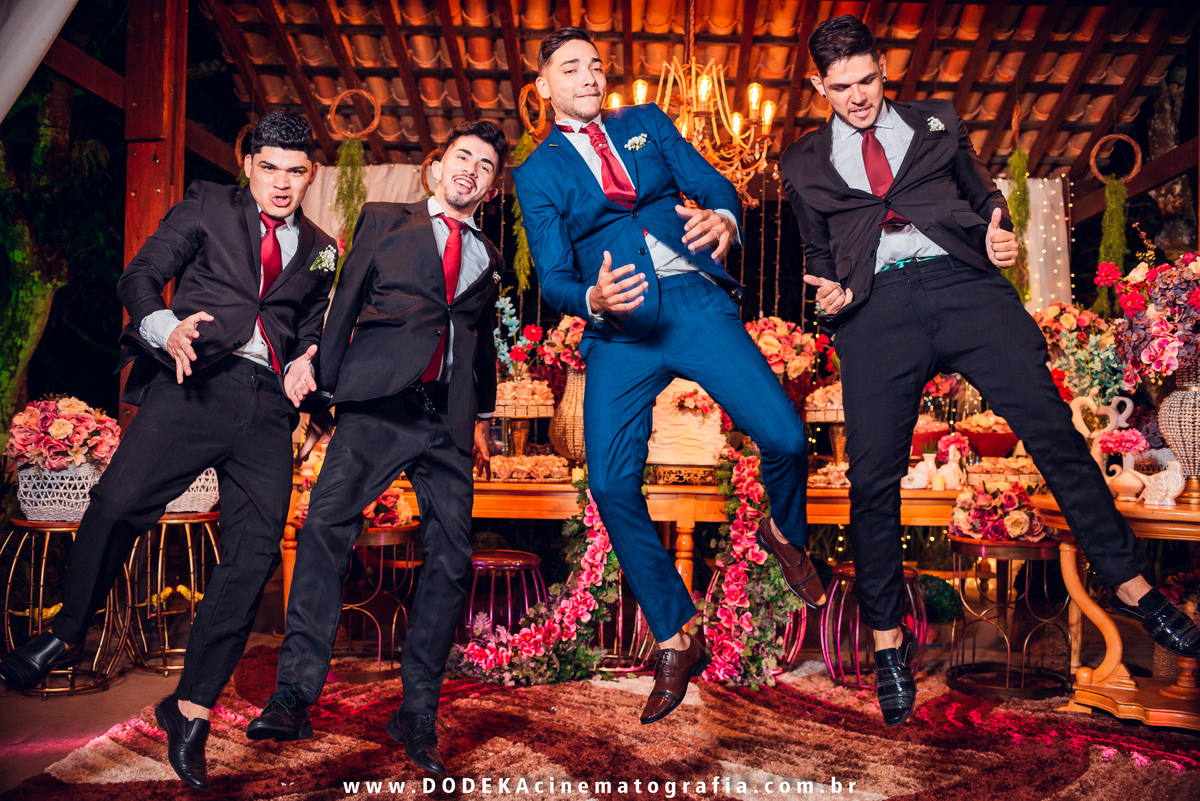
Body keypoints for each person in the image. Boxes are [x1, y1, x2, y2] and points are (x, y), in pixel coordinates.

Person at [781, 15, 1200, 728]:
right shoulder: (801, 163)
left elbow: (984, 198)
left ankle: (1132, 586)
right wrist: (829, 294)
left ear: (884, 68)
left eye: (868, 80)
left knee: (1054, 433)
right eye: (841, 87)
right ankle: (888, 644)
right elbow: (819, 253)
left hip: (965, 288)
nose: (858, 97)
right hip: (877, 312)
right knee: (872, 479)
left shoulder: (937, 121)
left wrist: (999, 228)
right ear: (819, 86)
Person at [0, 113, 336, 789]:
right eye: (270, 167)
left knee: (253, 557)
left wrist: (308, 356)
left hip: (269, 408)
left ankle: (190, 709)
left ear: (311, 176)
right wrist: (164, 327)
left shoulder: (323, 249)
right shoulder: (208, 204)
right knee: (118, 501)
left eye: (296, 171)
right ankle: (66, 631)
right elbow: (141, 275)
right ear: (249, 165)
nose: (281, 182)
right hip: (196, 378)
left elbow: (311, 324)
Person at [512, 28, 824, 726]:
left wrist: (725, 216)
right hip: (619, 326)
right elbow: (554, 274)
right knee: (609, 483)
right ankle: (675, 635)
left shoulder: (646, 122)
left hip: (694, 304)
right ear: (544, 86)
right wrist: (591, 299)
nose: (589, 76)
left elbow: (712, 182)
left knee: (785, 437)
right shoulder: (536, 173)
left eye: (596, 65)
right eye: (571, 67)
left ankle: (783, 530)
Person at [244, 121, 506, 778]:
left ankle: (417, 710)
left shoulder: (489, 256)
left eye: (485, 166)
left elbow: (477, 343)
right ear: (437, 167)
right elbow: (345, 302)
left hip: (446, 422)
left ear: (492, 187)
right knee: (324, 528)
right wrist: (325, 395)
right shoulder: (385, 219)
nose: (471, 169)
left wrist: (484, 417)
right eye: (462, 156)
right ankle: (294, 695)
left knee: (451, 559)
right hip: (378, 406)